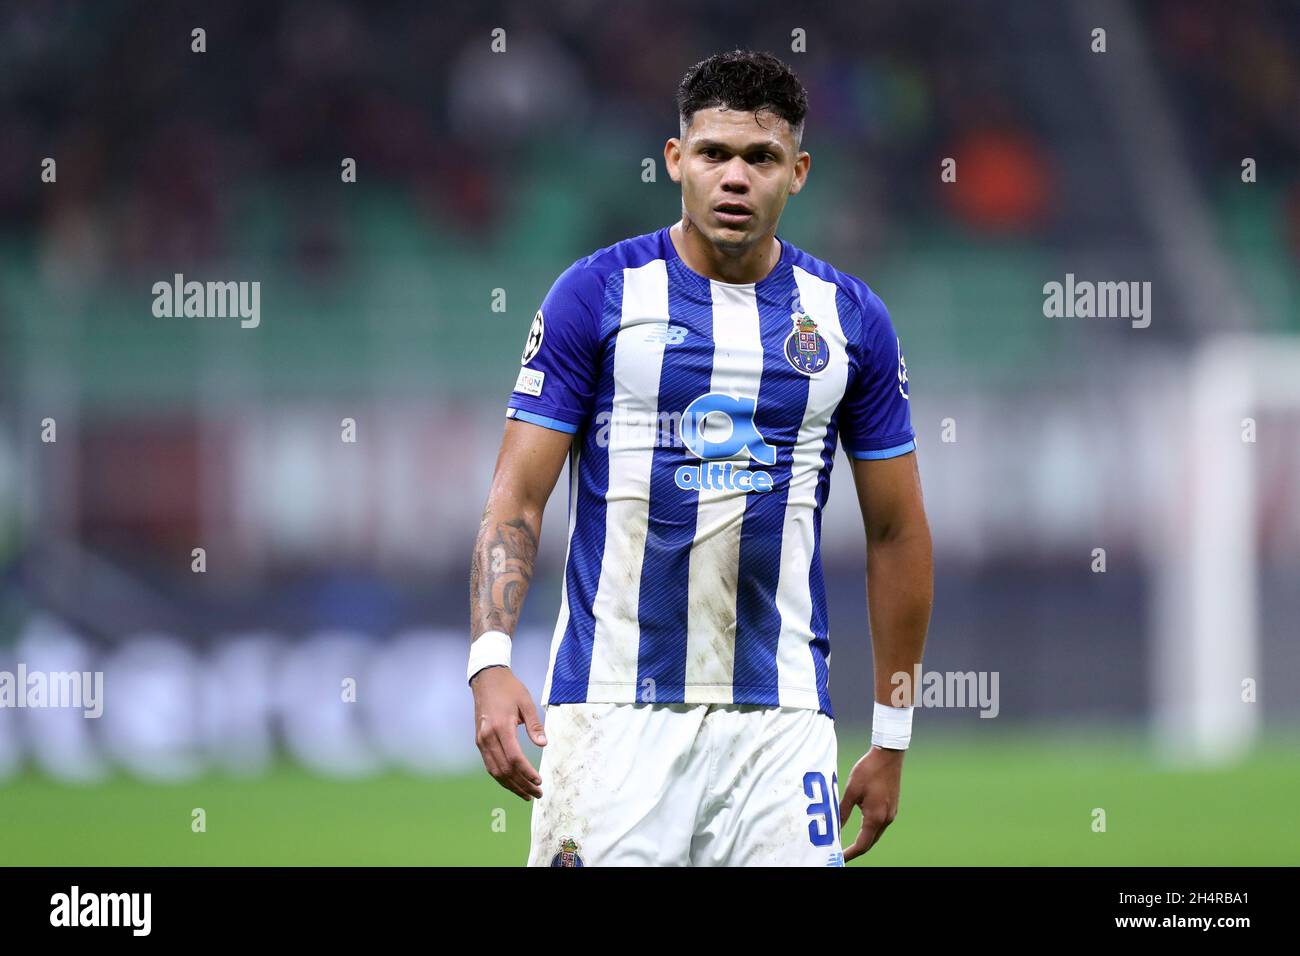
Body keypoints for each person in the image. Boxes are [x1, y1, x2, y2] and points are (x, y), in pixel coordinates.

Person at [468, 49, 933, 867]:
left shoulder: (849, 319)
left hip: (783, 717)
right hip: (612, 710)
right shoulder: (597, 294)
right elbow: (517, 497)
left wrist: (891, 734)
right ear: (676, 159)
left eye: (761, 158)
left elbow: (897, 531)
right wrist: (490, 660)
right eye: (714, 153)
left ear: (799, 172)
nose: (735, 178)